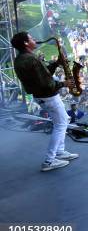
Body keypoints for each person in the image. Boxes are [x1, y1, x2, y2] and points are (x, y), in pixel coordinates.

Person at [12, 32, 79, 172]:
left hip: (41, 96)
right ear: (25, 43)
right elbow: (47, 84)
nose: (34, 39)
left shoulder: (20, 59)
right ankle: (49, 161)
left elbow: (43, 75)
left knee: (63, 120)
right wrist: (64, 83)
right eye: (31, 38)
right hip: (48, 96)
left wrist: (55, 64)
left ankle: (60, 152)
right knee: (61, 124)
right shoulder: (32, 59)